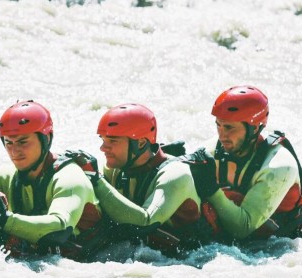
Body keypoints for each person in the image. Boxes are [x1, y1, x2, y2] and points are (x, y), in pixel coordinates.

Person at [71, 103, 203, 251]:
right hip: (146, 254)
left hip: (188, 259)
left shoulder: (176, 174)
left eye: (113, 141)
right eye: (103, 140)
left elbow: (146, 222)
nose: (102, 148)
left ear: (140, 143)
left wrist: (96, 180)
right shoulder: (116, 169)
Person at [0, 100, 106, 260]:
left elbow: (59, 228)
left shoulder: (70, 178)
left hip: (91, 262)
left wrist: (7, 221)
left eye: (23, 142)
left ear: (46, 139)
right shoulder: (0, 178)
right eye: (8, 143)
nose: (14, 151)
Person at [186, 85, 302, 241]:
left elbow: (243, 228)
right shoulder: (213, 149)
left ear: (254, 128)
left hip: (272, 245)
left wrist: (212, 190)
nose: (222, 135)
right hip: (230, 239)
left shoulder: (278, 167)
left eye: (229, 127)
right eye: (218, 125)